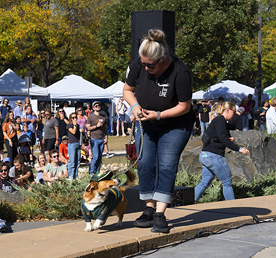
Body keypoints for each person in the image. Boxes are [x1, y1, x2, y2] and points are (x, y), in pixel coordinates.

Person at [123, 29, 193, 233]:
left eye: (150, 65)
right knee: (144, 163)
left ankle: (161, 213)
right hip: (146, 123)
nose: (145, 68)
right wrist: (135, 107)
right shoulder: (138, 65)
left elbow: (184, 106)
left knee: (167, 164)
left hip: (175, 124)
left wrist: (159, 115)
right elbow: (127, 90)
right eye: (143, 63)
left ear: (162, 58)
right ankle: (149, 209)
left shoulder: (181, 72)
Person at [194, 102, 250, 202]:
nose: (235, 114)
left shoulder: (218, 121)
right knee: (227, 182)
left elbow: (218, 136)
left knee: (204, 182)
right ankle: (233, 207)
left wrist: (228, 139)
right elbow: (223, 138)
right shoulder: (220, 120)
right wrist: (239, 149)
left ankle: (189, 201)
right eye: (234, 111)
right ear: (228, 110)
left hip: (205, 155)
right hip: (214, 156)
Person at [86, 101, 108, 175]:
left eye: (99, 105)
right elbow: (88, 128)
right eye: (96, 106)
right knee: (95, 156)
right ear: (93, 108)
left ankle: (98, 171)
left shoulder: (103, 117)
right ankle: (91, 172)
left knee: (100, 157)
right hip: (94, 139)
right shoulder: (90, 117)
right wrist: (96, 126)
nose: (97, 106)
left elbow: (105, 129)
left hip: (102, 139)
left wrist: (106, 138)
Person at [66, 112, 81, 180]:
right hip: (72, 144)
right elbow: (73, 132)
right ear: (70, 119)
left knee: (77, 161)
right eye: (73, 117)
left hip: (78, 143)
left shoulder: (78, 125)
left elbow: (81, 131)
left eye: (76, 117)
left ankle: (76, 175)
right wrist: (75, 125)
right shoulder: (69, 125)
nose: (75, 119)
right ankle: (71, 176)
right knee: (72, 161)